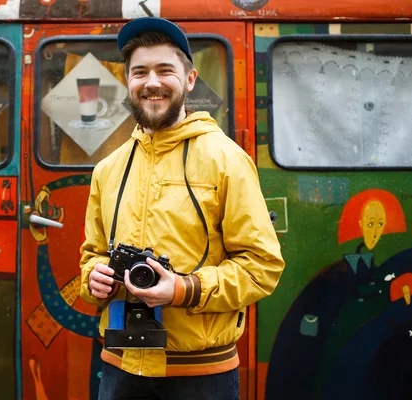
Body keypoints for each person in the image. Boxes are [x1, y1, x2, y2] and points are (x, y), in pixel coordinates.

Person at [79, 16, 285, 400]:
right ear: (128, 82)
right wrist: (94, 279)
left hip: (202, 374)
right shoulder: (108, 170)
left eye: (164, 70)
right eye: (139, 72)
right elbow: (91, 255)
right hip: (120, 367)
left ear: (189, 80)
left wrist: (183, 289)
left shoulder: (227, 160)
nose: (151, 82)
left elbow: (263, 267)